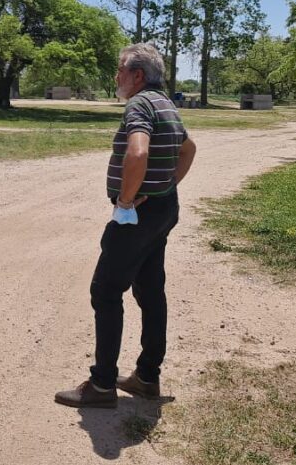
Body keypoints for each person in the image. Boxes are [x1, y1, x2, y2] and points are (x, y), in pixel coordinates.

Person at [55, 43, 197, 408]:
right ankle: (147, 377)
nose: (116, 77)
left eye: (120, 70)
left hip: (138, 217)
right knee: (150, 291)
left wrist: (126, 201)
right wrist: (165, 186)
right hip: (163, 210)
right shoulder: (167, 103)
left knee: (105, 291)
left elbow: (138, 152)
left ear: (137, 75)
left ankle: (102, 385)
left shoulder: (140, 104)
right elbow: (188, 149)